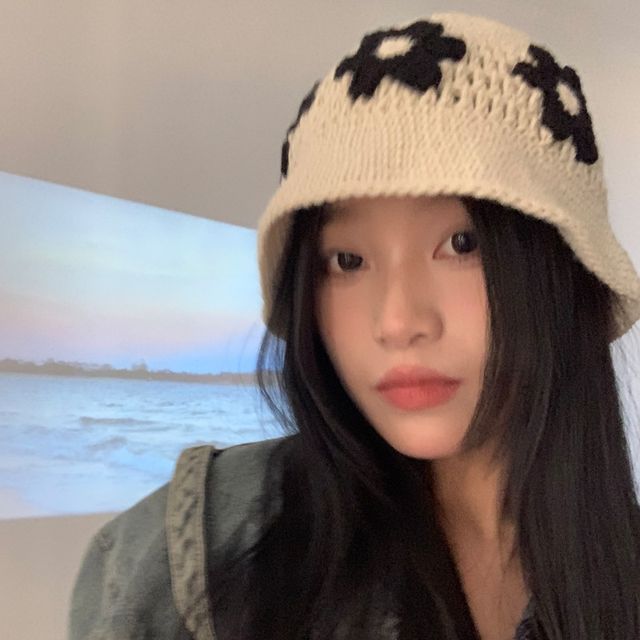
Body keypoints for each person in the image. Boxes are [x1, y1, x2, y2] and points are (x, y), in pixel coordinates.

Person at [68, 11, 640, 640]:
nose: (397, 322)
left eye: (461, 243)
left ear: (561, 273)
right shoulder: (188, 563)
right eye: (346, 261)